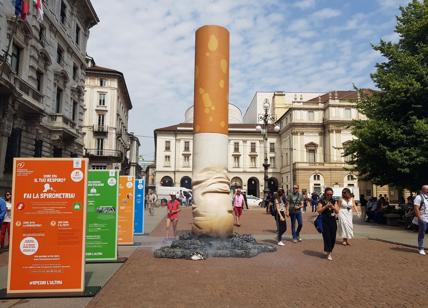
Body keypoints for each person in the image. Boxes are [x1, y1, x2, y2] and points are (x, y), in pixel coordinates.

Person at [317, 187, 339, 261]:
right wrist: (326, 206)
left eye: (331, 194)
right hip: (324, 220)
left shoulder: (334, 201)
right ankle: (329, 253)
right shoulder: (321, 201)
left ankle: (329, 250)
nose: (329, 195)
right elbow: (319, 211)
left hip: (332, 220)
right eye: (328, 194)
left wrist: (332, 206)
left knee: (333, 237)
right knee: (327, 237)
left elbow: (337, 211)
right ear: (325, 194)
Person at [414, 185, 428, 255]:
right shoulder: (419, 197)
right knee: (422, 234)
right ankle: (421, 248)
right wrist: (419, 218)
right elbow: (416, 208)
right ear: (423, 190)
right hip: (423, 219)